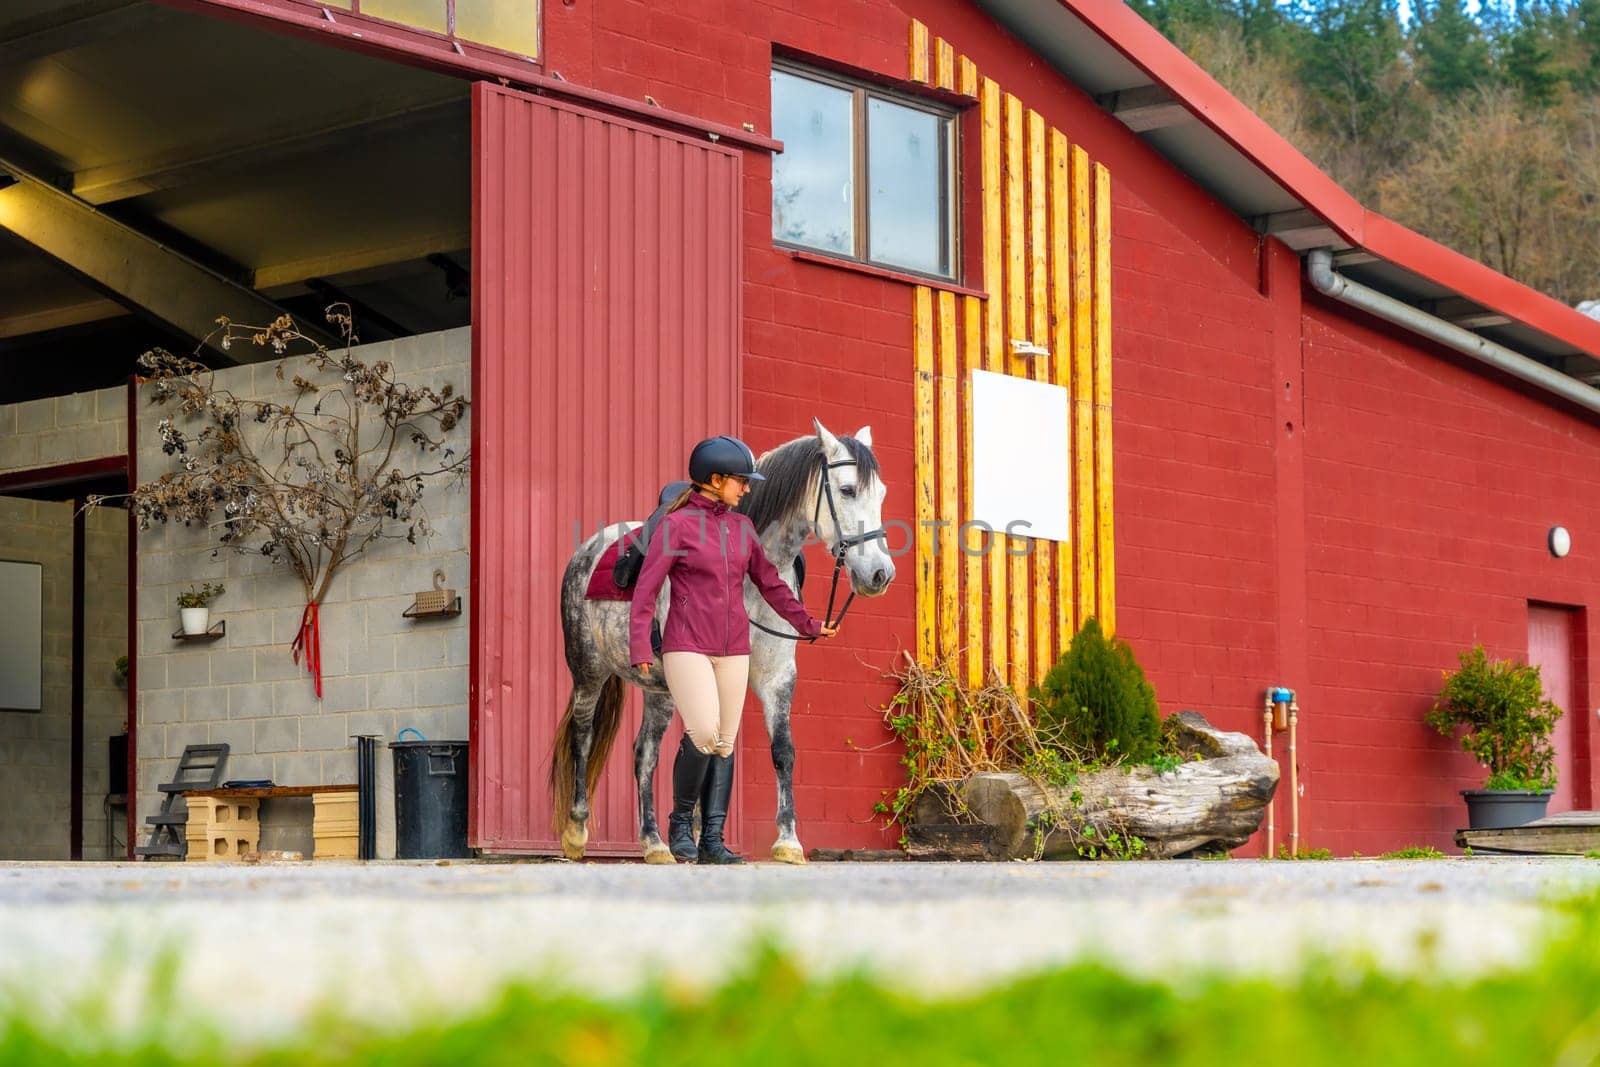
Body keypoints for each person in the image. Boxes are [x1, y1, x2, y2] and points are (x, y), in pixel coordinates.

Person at [630, 435, 838, 864]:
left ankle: (712, 841)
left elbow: (772, 585)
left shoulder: (742, 529)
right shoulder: (676, 526)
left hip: (733, 647)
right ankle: (679, 824)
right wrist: (639, 646)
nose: (747, 489)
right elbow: (646, 592)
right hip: (687, 644)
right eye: (741, 482)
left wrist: (809, 625)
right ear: (715, 480)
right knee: (704, 732)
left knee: (724, 743)